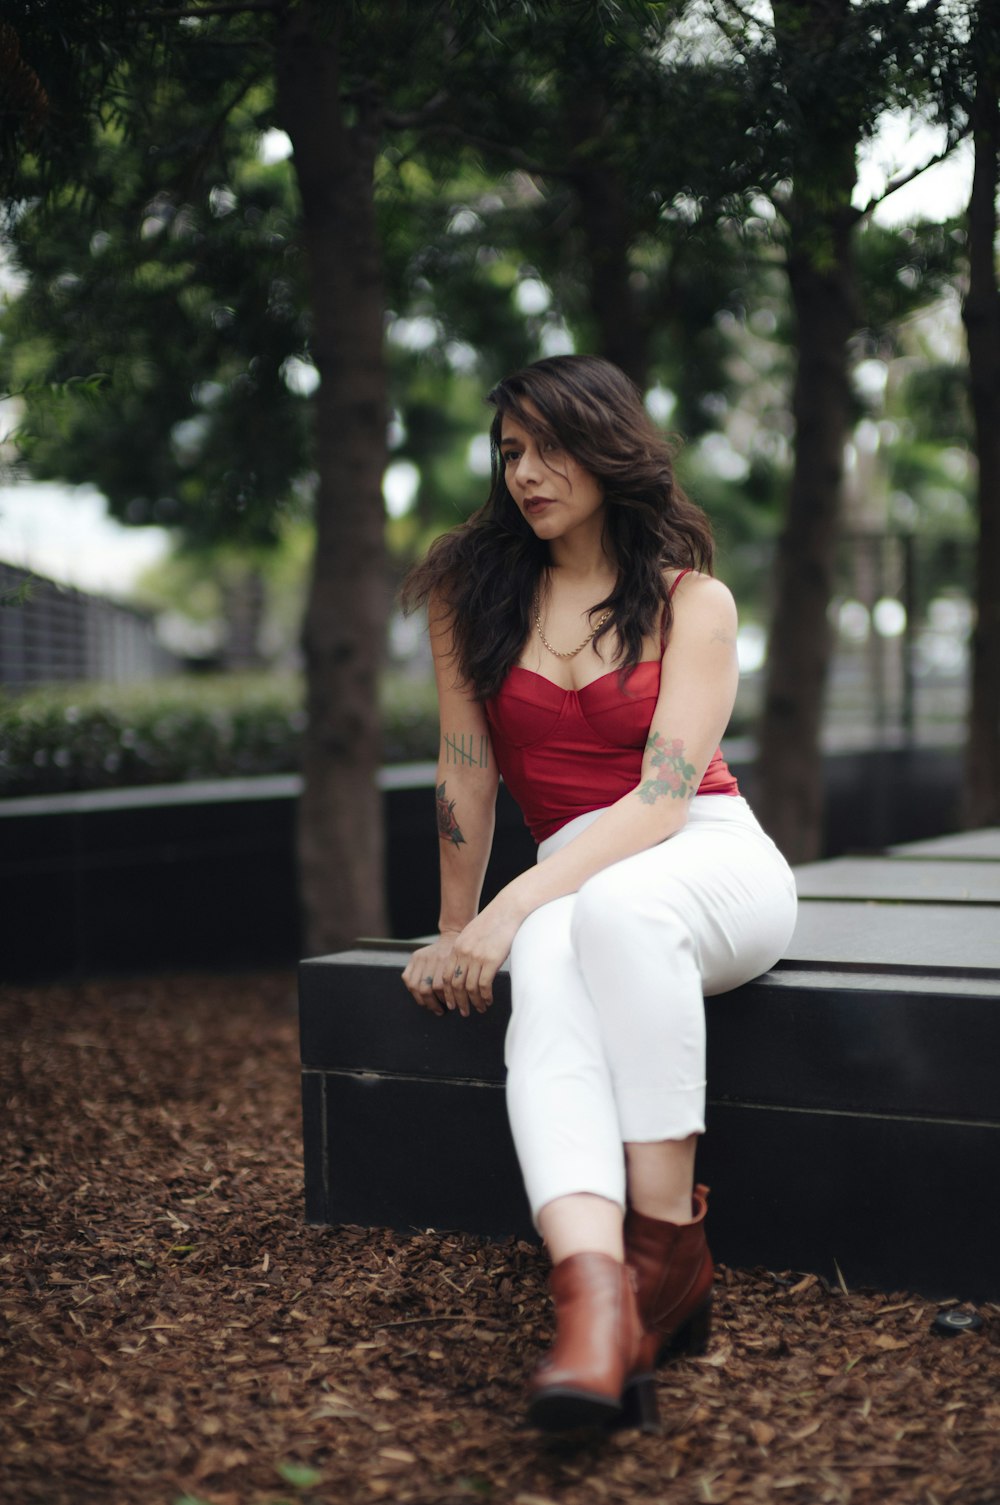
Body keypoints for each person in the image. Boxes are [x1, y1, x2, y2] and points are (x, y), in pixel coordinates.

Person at [400, 354, 797, 1432]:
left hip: (708, 859)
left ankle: (666, 1245)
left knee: (599, 912)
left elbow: (662, 803)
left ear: (608, 447)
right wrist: (455, 929)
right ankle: (591, 1295)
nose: (526, 470)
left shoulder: (692, 601)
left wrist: (507, 907)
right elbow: (463, 767)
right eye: (511, 450)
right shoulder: (469, 594)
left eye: (551, 445)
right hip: (574, 873)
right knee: (552, 962)